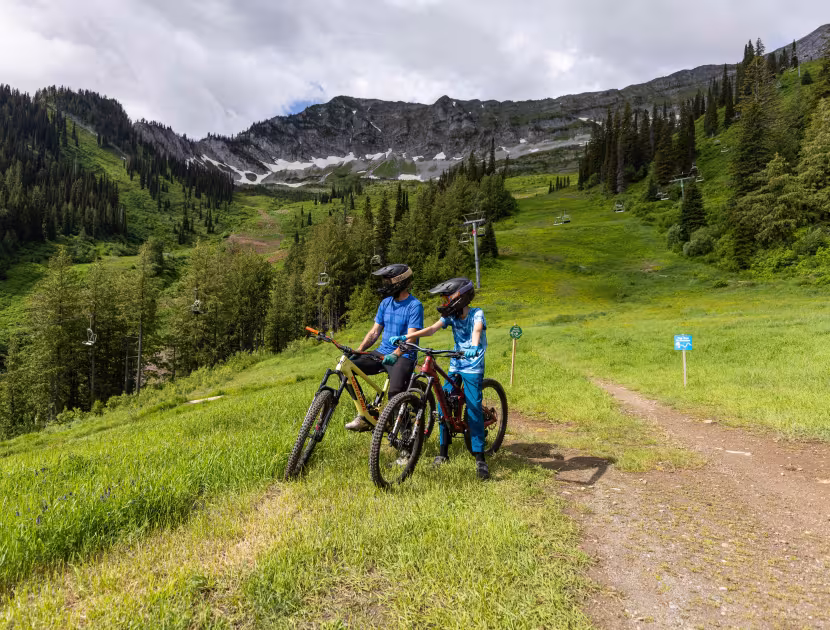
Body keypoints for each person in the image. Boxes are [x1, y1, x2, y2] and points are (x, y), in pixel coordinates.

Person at [390, 277, 489, 480]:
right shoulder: (451, 316)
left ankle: (480, 459)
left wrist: (473, 346)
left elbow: (477, 330)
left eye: (447, 298)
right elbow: (433, 329)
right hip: (455, 362)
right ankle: (443, 453)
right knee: (444, 404)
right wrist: (406, 338)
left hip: (472, 364)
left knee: (473, 408)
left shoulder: (476, 313)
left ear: (460, 297)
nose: (444, 302)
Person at [345, 263, 423, 432]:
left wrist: (395, 354)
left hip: (404, 356)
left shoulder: (414, 306)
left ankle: (407, 442)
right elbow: (374, 332)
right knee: (347, 368)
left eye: (387, 282)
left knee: (395, 395)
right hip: (381, 352)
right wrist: (358, 351)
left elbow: (411, 338)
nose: (384, 286)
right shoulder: (385, 303)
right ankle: (365, 415)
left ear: (400, 282)